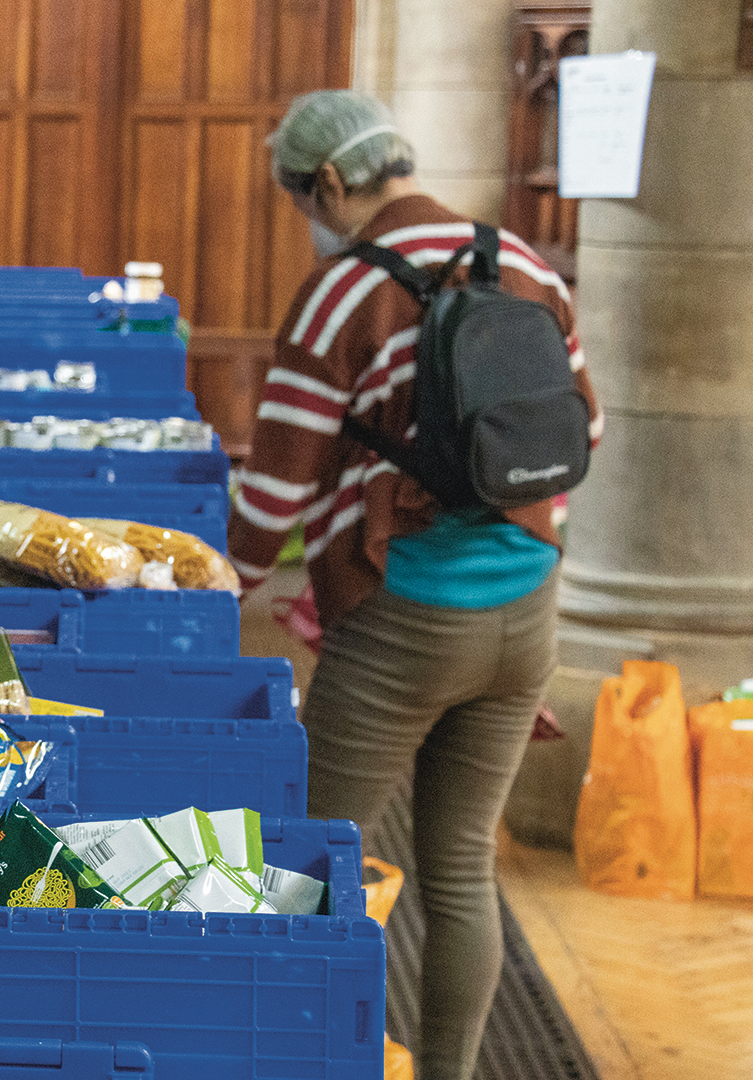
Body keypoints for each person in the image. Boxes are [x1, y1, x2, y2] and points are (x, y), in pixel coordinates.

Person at [227, 90, 601, 1080]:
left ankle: (288, 1058)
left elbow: (276, 483)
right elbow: (584, 435)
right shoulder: (521, 262)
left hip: (404, 617)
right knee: (462, 870)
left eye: (304, 199)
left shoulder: (346, 291)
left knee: (305, 860)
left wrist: (223, 589)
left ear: (333, 183)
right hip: (528, 613)